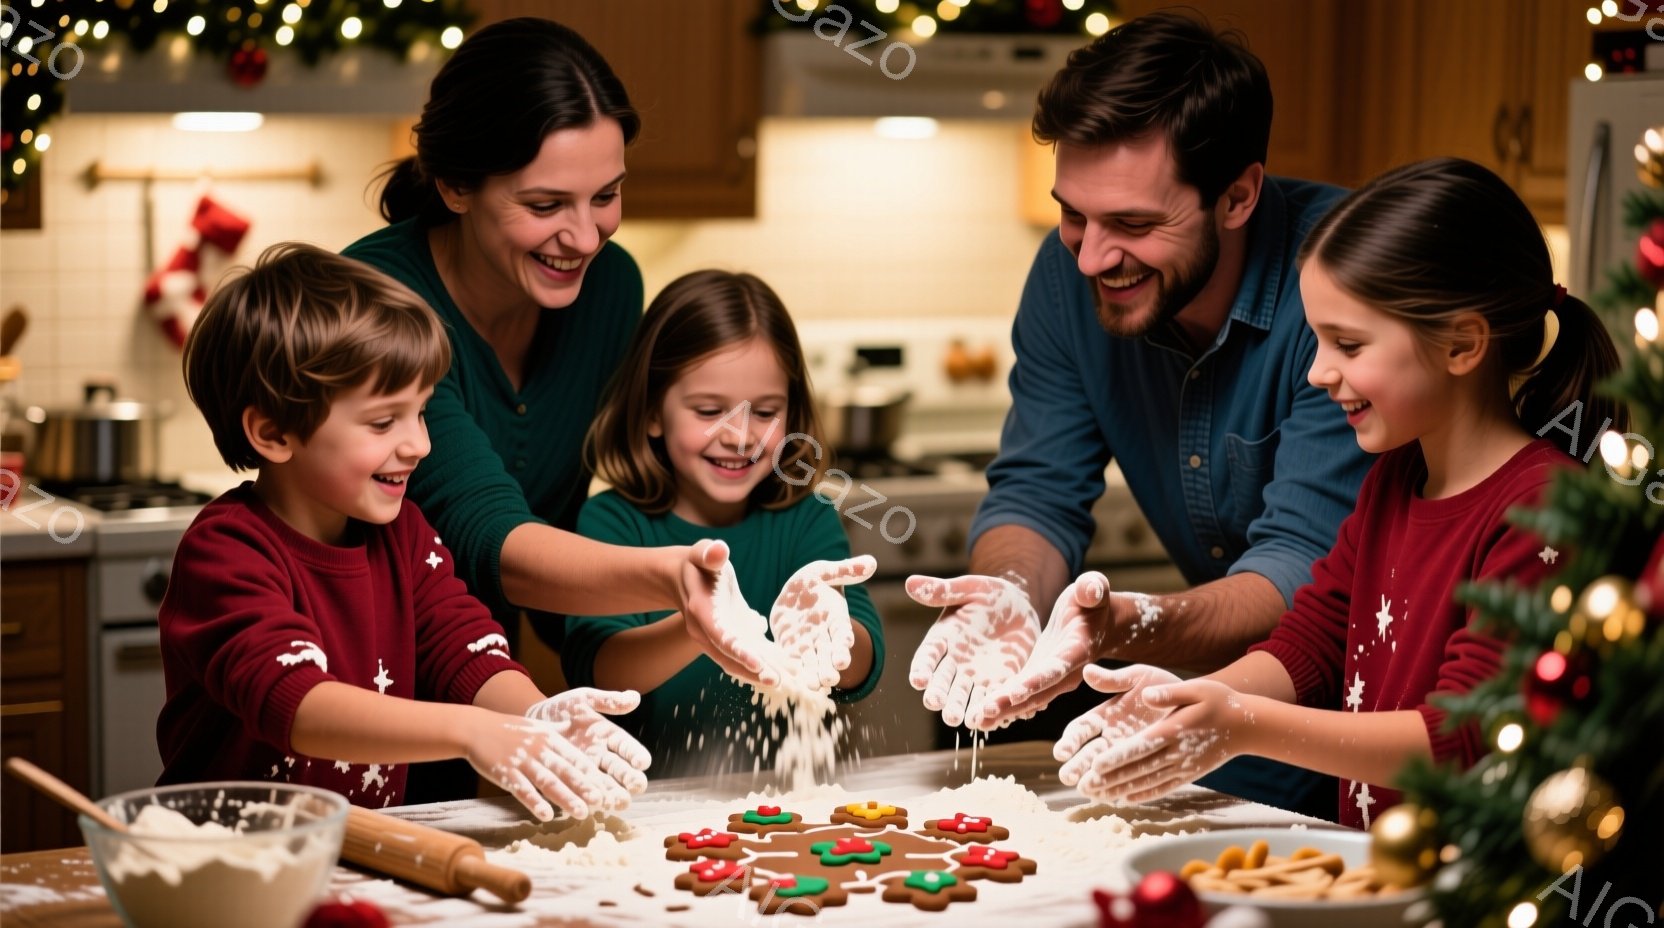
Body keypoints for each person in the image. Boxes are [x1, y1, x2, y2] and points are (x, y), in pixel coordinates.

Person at [1053, 157, 1626, 829]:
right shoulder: (1396, 478)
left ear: (1463, 344)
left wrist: (1240, 724)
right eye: (1317, 339)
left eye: (1348, 344)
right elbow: (1315, 638)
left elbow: (1461, 738)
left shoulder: (1543, 511)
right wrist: (1192, 700)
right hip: (1382, 874)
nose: (1320, 372)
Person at [904, 11, 1373, 816]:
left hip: (1372, 709)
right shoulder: (1066, 279)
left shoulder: (1341, 286)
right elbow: (1036, 494)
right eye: (1073, 214)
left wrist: (1124, 624)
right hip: (1223, 708)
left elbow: (1298, 568)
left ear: (1238, 196)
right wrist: (1005, 595)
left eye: (1132, 224)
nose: (1089, 257)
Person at [343, 18, 756, 801]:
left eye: (606, 196)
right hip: (365, 697)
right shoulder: (379, 301)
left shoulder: (609, 291)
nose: (583, 235)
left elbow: (587, 513)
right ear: (456, 185)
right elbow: (493, 540)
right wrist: (679, 579)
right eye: (544, 204)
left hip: (488, 677)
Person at [158, 244, 654, 820]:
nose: (419, 443)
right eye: (383, 421)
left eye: (420, 412)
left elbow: (465, 651)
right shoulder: (227, 552)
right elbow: (300, 706)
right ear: (273, 433)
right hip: (227, 869)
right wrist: (473, 731)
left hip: (361, 851)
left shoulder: (403, 535)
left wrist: (536, 716)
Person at [561, 270, 886, 777]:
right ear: (651, 411)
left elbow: (864, 664)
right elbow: (599, 667)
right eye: (710, 410)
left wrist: (836, 630)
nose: (739, 436)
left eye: (764, 412)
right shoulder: (615, 524)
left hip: (789, 801)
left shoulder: (805, 521)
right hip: (646, 807)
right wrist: (702, 624)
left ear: (792, 413)